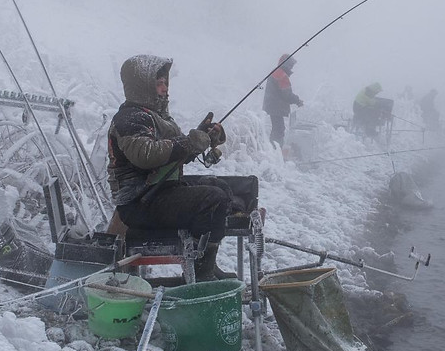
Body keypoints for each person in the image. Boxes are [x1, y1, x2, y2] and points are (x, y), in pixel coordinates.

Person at [107, 54, 240, 281]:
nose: (164, 88)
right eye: (158, 83)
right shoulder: (129, 119)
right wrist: (188, 142)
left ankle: (207, 262)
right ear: (142, 85)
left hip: (158, 193)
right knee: (213, 198)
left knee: (221, 189)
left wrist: (203, 138)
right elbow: (145, 155)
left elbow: (173, 155)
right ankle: (202, 274)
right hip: (139, 203)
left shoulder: (155, 117)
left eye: (165, 82)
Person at [261, 54, 303, 149]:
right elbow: (287, 94)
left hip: (271, 106)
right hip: (277, 107)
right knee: (279, 130)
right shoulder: (282, 75)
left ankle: (273, 150)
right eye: (291, 65)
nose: (292, 67)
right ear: (287, 64)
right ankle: (276, 151)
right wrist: (297, 100)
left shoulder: (275, 72)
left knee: (277, 128)